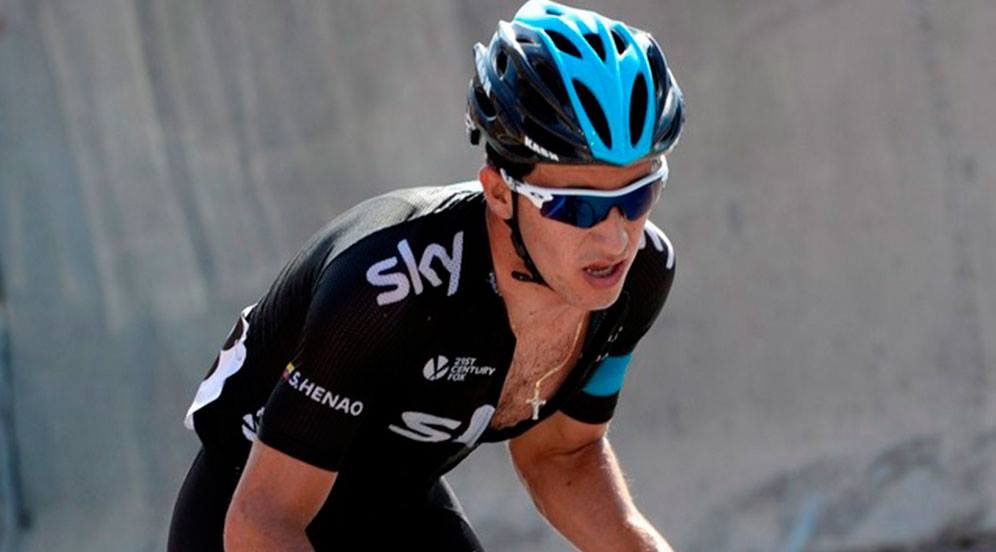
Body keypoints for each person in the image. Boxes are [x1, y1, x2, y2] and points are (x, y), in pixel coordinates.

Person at [168, 0, 686, 550]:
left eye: (639, 195)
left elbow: (562, 455)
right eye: (577, 207)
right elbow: (262, 520)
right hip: (254, 510)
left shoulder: (641, 274)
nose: (615, 239)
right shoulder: (387, 287)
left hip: (396, 501)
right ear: (499, 194)